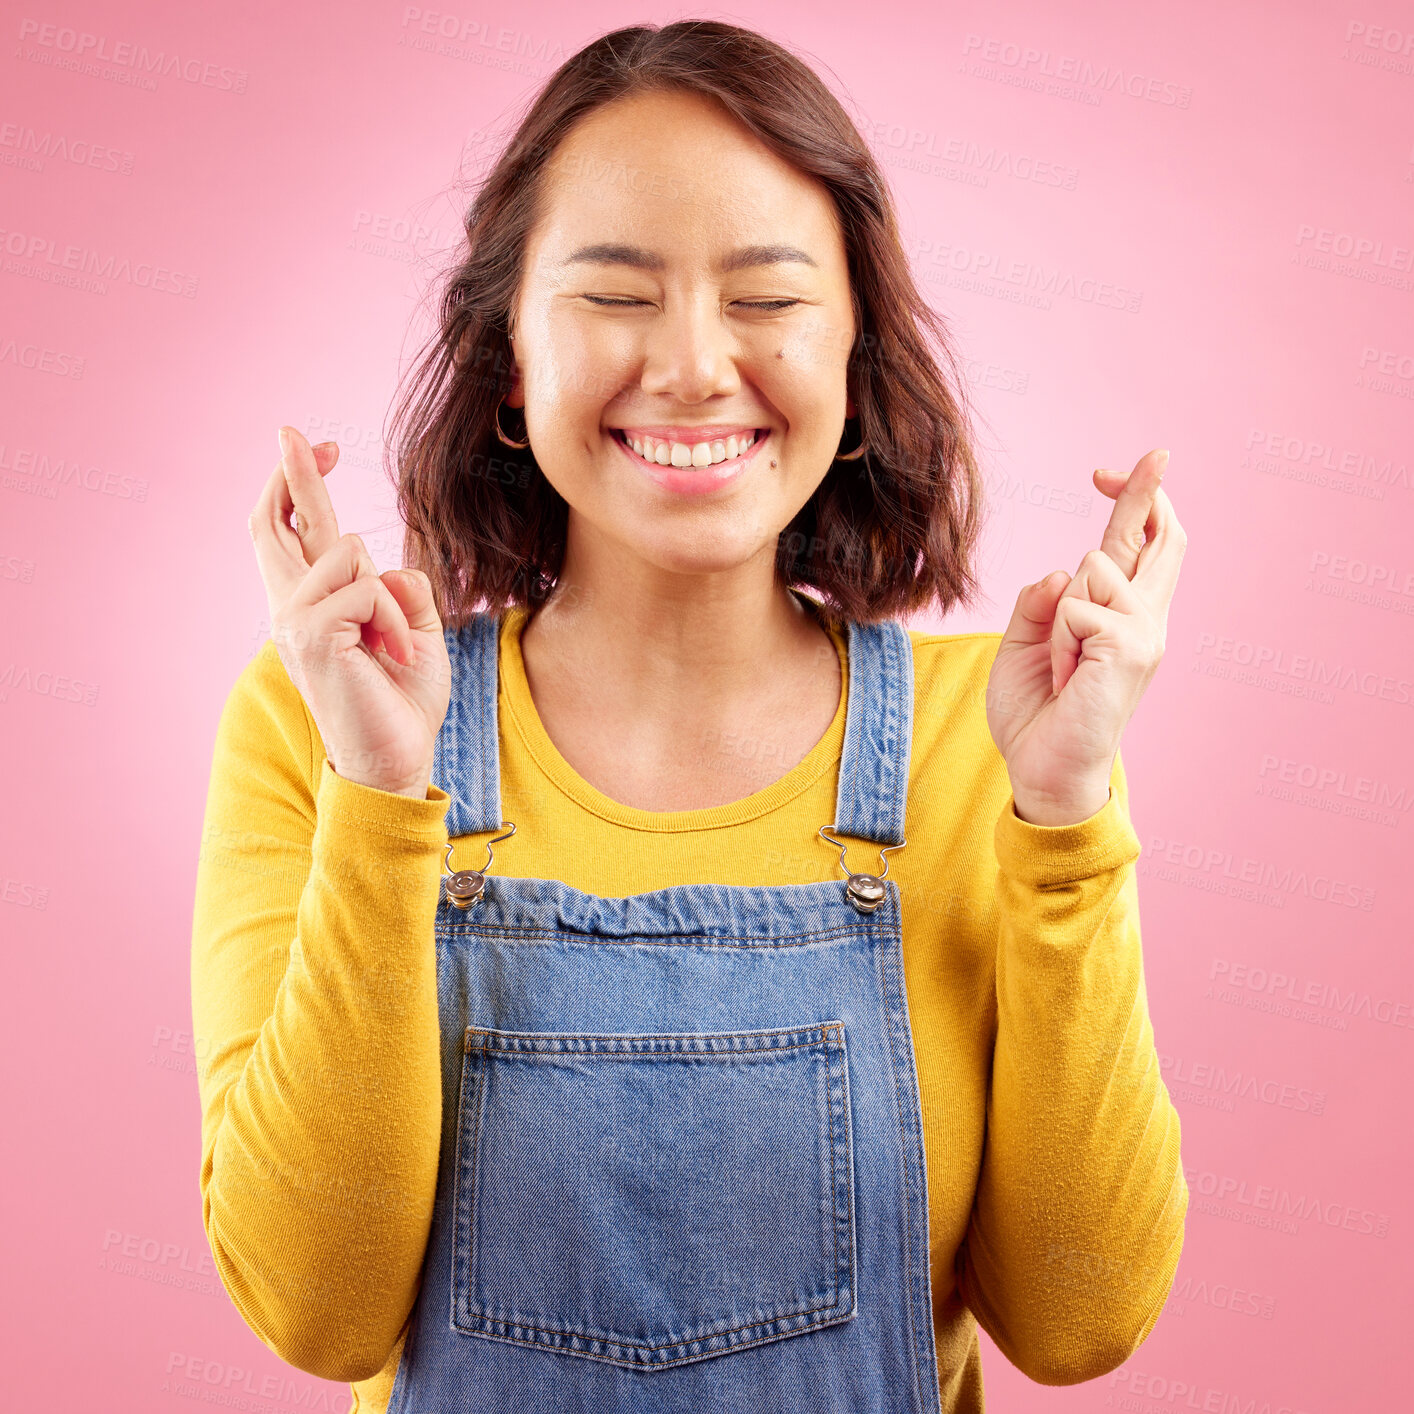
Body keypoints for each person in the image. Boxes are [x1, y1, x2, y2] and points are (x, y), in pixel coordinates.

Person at [192, 19, 1189, 1414]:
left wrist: (1066, 813)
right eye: (616, 294)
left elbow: (1078, 1319)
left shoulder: (1007, 740)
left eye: (766, 297)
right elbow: (317, 1305)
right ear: (508, 361)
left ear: (854, 358)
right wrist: (379, 789)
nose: (693, 364)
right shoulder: (329, 716)